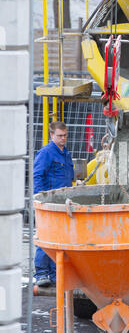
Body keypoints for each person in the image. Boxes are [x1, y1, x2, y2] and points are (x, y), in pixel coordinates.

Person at [34, 121, 74, 287]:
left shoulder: (65, 153)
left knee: (59, 238)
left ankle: (55, 273)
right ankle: (42, 274)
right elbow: (38, 176)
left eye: (64, 135)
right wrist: (41, 199)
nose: (62, 139)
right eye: (59, 136)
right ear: (52, 135)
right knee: (46, 237)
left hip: (63, 203)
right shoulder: (47, 153)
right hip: (50, 204)